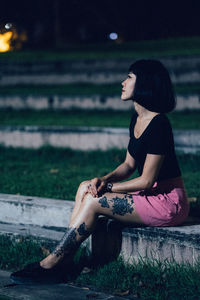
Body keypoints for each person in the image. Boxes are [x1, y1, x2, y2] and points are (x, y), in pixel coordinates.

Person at [10, 59, 189, 284]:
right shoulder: (137, 118)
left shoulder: (160, 124)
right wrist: (103, 179)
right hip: (150, 195)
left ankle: (54, 262)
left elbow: (146, 180)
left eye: (129, 78)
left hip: (168, 202)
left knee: (95, 201)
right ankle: (64, 260)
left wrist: (109, 187)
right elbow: (128, 166)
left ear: (144, 84)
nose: (122, 83)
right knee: (86, 187)